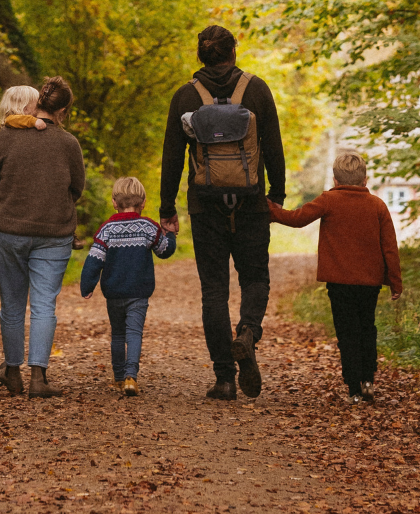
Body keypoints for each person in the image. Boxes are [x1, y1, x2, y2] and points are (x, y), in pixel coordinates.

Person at [159, 25, 286, 401]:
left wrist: (168, 208)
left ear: (201, 55)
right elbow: (273, 147)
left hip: (206, 203)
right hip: (249, 201)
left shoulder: (186, 95)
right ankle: (247, 332)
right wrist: (275, 195)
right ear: (234, 51)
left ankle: (224, 379)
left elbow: (172, 156)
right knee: (255, 277)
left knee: (214, 289)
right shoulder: (257, 89)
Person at [267, 151, 403, 404]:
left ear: (336, 179)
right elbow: (390, 247)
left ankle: (353, 388)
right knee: (367, 328)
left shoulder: (329, 200)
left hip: (339, 283)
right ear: (365, 179)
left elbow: (297, 219)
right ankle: (368, 379)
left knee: (347, 332)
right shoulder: (378, 205)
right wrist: (395, 281)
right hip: (369, 283)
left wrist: (271, 211)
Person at [0, 76, 85, 398]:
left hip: (8, 232)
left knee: (11, 305)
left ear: (39, 101)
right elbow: (77, 188)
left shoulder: (8, 135)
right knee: (43, 305)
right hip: (53, 233)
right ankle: (39, 378)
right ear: (63, 109)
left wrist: (8, 203)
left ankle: (12, 371)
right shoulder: (68, 144)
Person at [80, 177, 176, 396]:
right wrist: (170, 234)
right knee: (134, 332)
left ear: (115, 203)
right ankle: (131, 377)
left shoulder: (107, 229)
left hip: (113, 293)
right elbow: (164, 251)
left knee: (117, 334)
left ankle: (118, 378)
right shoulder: (148, 227)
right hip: (139, 292)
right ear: (142, 203)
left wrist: (87, 285)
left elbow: (94, 260)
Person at [0, 86, 46, 277]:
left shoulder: (17, 127)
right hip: (10, 199)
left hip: (12, 198)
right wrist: (36, 121)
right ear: (24, 107)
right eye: (36, 104)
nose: (39, 107)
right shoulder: (14, 122)